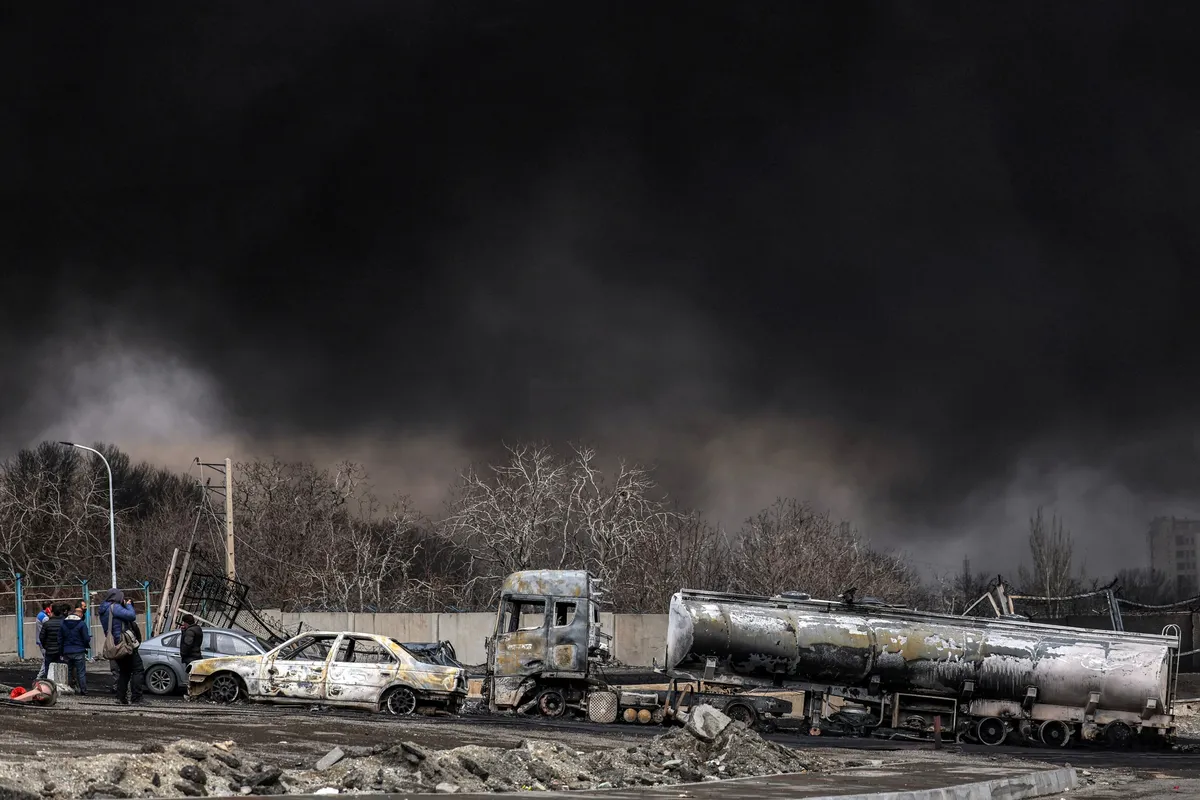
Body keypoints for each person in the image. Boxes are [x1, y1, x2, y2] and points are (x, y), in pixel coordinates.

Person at [98, 590, 145, 705]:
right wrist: (128, 605)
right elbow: (131, 616)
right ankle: (136, 698)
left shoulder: (104, 609)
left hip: (114, 644)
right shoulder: (115, 607)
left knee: (124, 671)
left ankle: (121, 697)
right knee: (138, 669)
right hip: (124, 644)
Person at [61, 605, 91, 695]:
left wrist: (61, 649)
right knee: (81, 672)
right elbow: (86, 638)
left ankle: (70, 689)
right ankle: (83, 690)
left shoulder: (63, 623)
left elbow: (60, 637)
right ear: (80, 615)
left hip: (67, 651)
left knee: (69, 671)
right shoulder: (81, 624)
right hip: (79, 650)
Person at [38, 603, 67, 680]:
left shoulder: (47, 624)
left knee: (48, 668)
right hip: (61, 651)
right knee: (61, 669)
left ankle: (47, 685)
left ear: (52, 612)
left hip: (50, 650)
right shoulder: (64, 623)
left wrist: (46, 646)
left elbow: (41, 637)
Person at [34, 603, 52, 680]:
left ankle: (41, 676)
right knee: (46, 660)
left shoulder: (40, 615)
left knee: (46, 659)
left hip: (41, 641)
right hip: (43, 642)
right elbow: (49, 624)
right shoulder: (44, 617)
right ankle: (40, 676)